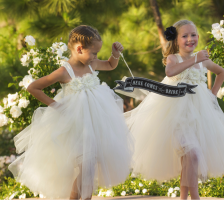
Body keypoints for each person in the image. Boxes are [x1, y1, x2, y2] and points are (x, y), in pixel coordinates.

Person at [8, 25, 133, 200]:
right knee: (86, 166)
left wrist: (115, 53)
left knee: (90, 166)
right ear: (79, 49)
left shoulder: (92, 65)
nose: (96, 57)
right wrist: (56, 105)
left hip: (96, 120)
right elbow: (33, 87)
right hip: (77, 124)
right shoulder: (64, 71)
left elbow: (111, 65)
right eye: (94, 53)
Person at [124, 20, 224, 200]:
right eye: (185, 36)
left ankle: (185, 197)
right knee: (192, 154)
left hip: (199, 114)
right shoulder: (174, 58)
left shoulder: (203, 61)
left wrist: (212, 96)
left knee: (190, 158)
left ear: (198, 37)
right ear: (176, 40)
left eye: (193, 35)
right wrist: (195, 59)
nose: (190, 39)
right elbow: (170, 72)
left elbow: (221, 72)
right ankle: (195, 197)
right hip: (174, 113)